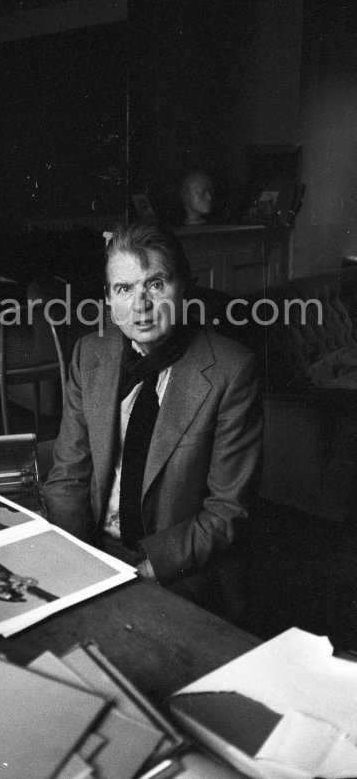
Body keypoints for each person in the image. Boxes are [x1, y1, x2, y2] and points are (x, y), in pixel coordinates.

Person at [43, 220, 263, 616]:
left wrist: (141, 572)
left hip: (176, 570)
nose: (140, 306)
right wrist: (76, 563)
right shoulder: (89, 355)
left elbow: (227, 512)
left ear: (184, 288)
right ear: (109, 299)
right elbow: (67, 475)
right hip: (92, 549)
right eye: (124, 289)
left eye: (155, 284)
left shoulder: (232, 371)